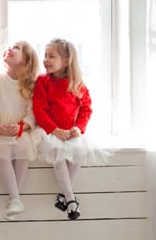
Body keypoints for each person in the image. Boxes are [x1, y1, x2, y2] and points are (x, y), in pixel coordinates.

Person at [32, 38, 108, 220]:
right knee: (58, 156)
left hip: (71, 131)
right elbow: (39, 109)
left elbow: (86, 109)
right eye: (45, 56)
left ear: (66, 61)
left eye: (51, 56)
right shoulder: (43, 82)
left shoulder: (77, 83)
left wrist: (79, 128)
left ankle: (63, 196)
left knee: (79, 154)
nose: (46, 60)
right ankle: (71, 200)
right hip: (50, 131)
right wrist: (54, 130)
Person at [0, 41, 40, 221]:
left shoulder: (29, 85)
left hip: (19, 129)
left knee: (23, 149)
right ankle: (16, 199)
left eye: (16, 47)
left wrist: (22, 125)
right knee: (2, 150)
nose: (9, 49)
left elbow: (32, 113)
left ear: (26, 59)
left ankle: (15, 199)